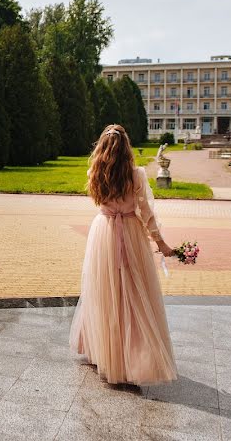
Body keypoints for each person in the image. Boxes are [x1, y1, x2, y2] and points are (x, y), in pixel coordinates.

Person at [70, 124, 177, 386]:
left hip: (103, 232)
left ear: (102, 147)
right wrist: (161, 243)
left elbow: (100, 203)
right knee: (133, 294)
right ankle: (134, 357)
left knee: (104, 292)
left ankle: (102, 350)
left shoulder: (95, 171)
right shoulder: (135, 175)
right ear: (127, 147)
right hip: (128, 232)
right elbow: (147, 214)